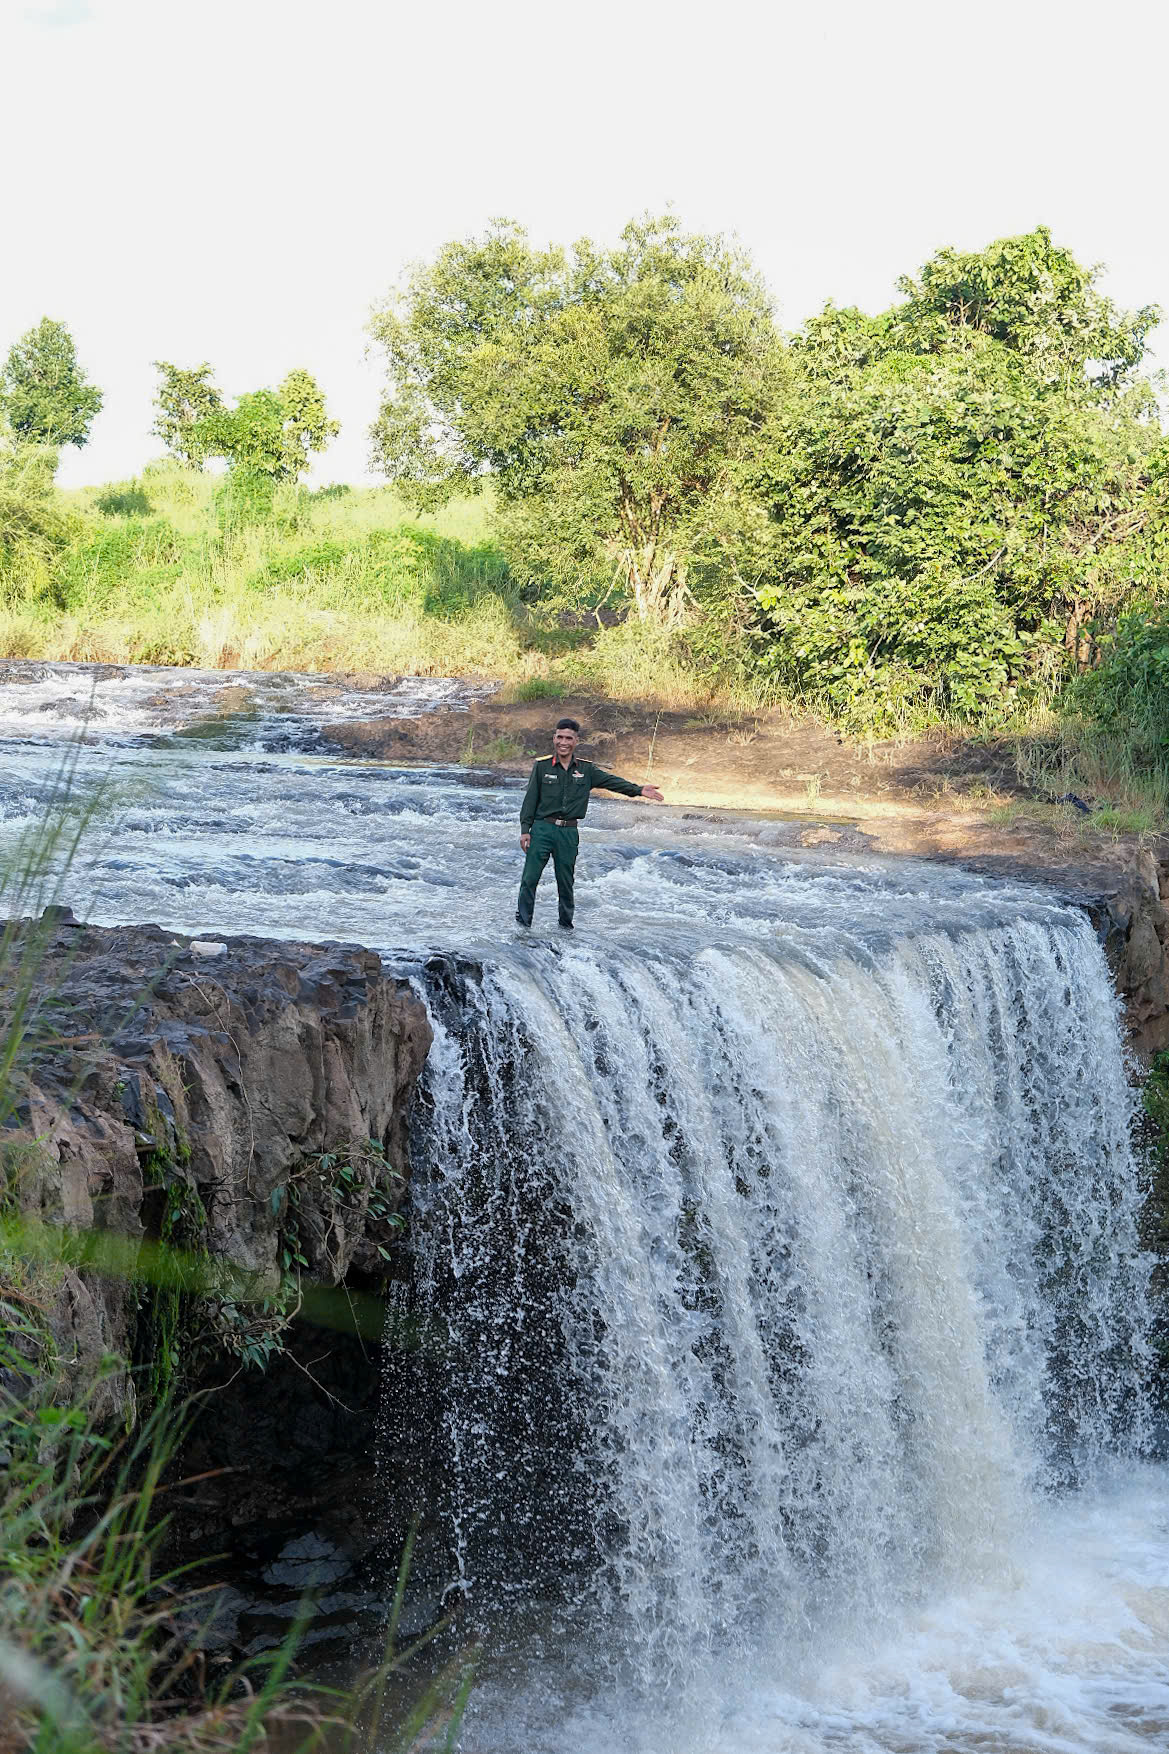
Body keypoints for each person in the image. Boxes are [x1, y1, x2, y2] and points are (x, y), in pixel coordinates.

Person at [515, 718, 664, 930]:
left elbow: (613, 782)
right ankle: (523, 925)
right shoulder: (541, 766)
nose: (563, 742)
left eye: (568, 738)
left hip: (568, 832)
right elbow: (530, 800)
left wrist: (638, 790)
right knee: (529, 879)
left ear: (576, 741)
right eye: (559, 737)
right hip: (542, 829)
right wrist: (525, 831)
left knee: (566, 883)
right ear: (554, 738)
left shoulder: (586, 770)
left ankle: (565, 927)